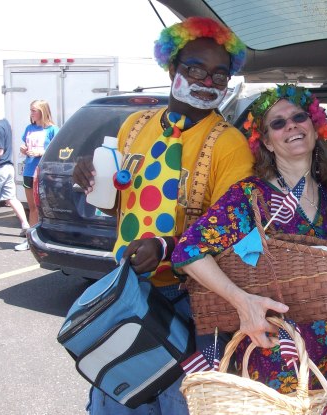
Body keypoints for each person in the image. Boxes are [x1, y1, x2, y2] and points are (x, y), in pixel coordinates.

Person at [72, 16, 254, 415]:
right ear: (172, 68)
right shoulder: (134, 127)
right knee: (120, 395)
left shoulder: (230, 145)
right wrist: (92, 179)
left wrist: (167, 247)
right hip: (123, 290)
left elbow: (237, 236)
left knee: (179, 401)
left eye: (219, 76)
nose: (207, 82)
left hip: (189, 299)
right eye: (195, 69)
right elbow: (119, 206)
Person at [171, 84, 327, 393]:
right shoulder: (249, 196)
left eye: (299, 117)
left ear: (315, 126)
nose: (291, 125)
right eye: (277, 123)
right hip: (272, 356)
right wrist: (243, 302)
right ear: (266, 141)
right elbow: (187, 252)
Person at [14, 99, 59, 251]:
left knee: (46, 207)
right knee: (32, 207)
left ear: (43, 112)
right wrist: (23, 148)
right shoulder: (29, 128)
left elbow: (59, 151)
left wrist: (41, 152)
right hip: (29, 170)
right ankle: (30, 240)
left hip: (44, 173)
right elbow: (24, 144)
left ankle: (51, 237)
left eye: (34, 110)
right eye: (31, 110)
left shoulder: (52, 129)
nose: (31, 113)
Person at [0, 103, 30, 237]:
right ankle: (25, 225)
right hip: (8, 167)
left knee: (10, 198)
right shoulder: (5, 123)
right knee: (11, 198)